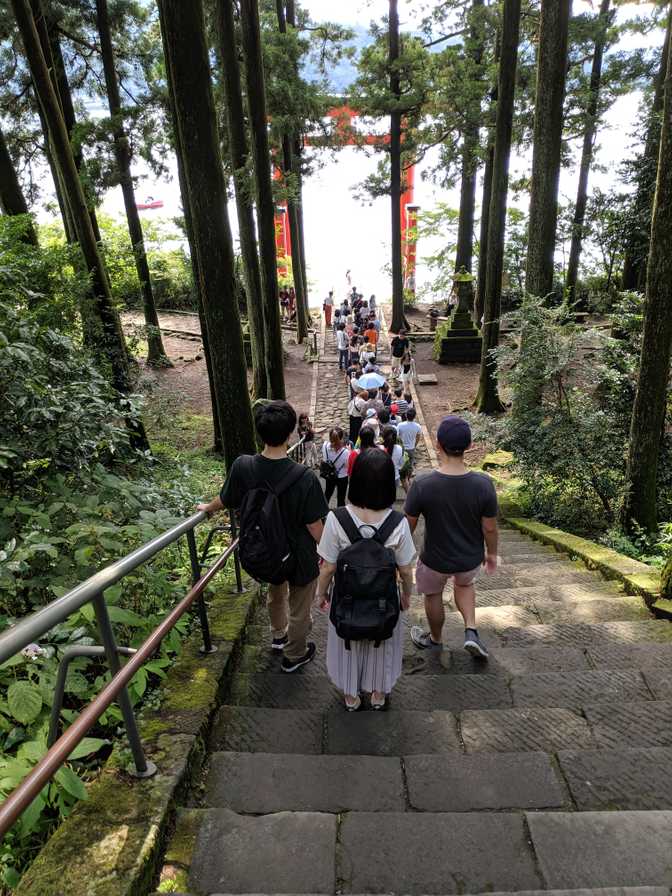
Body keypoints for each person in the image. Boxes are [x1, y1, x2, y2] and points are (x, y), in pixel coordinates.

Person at [197, 401, 327, 672]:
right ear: (291, 434)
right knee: (300, 607)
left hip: (267, 550)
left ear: (260, 433)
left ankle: (278, 635)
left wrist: (207, 509)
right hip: (300, 555)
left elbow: (226, 499)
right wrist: (329, 554)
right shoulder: (304, 478)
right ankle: (294, 654)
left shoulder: (243, 466)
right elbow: (314, 526)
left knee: (275, 590)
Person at [316, 449, 415, 710]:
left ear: (354, 478)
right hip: (384, 599)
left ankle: (351, 696)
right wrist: (406, 595)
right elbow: (405, 570)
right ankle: (378, 694)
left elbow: (327, 567)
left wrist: (321, 594)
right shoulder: (398, 522)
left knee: (347, 642)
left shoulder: (336, 519)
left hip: (346, 597)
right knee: (381, 642)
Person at [405, 415, 499, 659]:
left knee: (433, 595)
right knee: (465, 585)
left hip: (434, 558)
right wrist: (492, 554)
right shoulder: (484, 484)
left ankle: (436, 639)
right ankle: (471, 630)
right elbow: (489, 527)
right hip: (469, 557)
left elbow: (408, 526)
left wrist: (401, 558)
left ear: (438, 445)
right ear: (469, 446)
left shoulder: (423, 484)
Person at [322, 427, 350, 507]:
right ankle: (339, 515)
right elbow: (347, 466)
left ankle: (323, 513)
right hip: (342, 476)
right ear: (341, 438)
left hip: (329, 475)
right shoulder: (346, 452)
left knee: (327, 493)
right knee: (341, 498)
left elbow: (324, 459)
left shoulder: (324, 446)